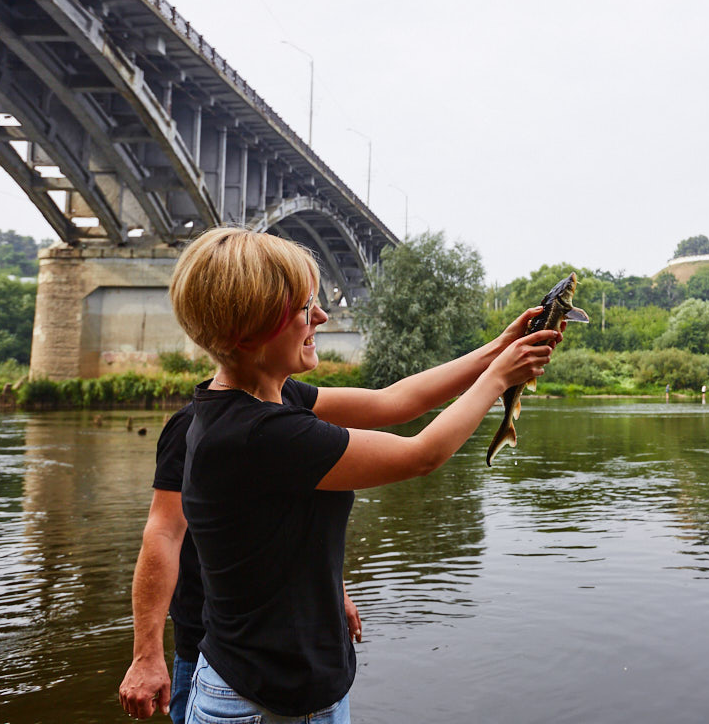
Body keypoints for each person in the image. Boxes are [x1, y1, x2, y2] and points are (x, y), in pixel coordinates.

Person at [166, 226, 560, 722]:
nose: (323, 316)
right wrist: (500, 377)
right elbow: (423, 453)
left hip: (300, 687)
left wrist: (496, 348)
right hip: (260, 703)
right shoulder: (260, 434)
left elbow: (396, 402)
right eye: (306, 307)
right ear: (251, 330)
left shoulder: (265, 396)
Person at [117, 380, 362, 722]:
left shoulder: (296, 410)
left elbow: (307, 523)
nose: (315, 325)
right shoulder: (194, 425)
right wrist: (146, 653)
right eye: (301, 321)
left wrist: (339, 593)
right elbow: (164, 534)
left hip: (298, 652)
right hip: (210, 647)